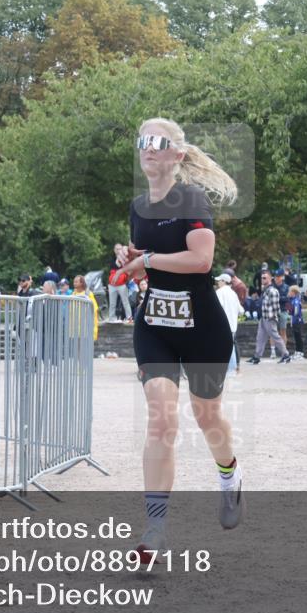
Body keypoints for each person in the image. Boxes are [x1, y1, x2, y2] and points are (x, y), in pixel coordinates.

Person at [113, 117, 243, 562]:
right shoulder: (136, 206)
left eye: (158, 142)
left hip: (203, 328)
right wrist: (131, 258)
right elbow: (150, 261)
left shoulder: (190, 198)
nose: (148, 148)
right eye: (143, 141)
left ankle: (229, 477)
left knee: (207, 418)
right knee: (161, 422)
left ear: (177, 154)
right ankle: (155, 528)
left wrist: (146, 257)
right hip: (157, 327)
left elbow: (201, 260)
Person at [249, 270, 290, 364]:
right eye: (262, 278)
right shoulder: (266, 289)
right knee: (260, 337)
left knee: (275, 336)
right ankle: (257, 356)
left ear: (270, 278)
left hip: (270, 318)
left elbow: (276, 307)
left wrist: (273, 318)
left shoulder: (272, 290)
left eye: (264, 278)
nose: (262, 279)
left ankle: (286, 355)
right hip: (264, 317)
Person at [215, 274, 244, 374]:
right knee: (229, 346)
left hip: (222, 325)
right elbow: (241, 310)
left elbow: (218, 308)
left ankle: (231, 369)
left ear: (223, 281)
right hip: (233, 325)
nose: (218, 282)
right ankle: (232, 368)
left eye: (219, 281)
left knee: (226, 347)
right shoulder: (233, 293)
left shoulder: (219, 292)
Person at [106, 245, 134, 323]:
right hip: (112, 285)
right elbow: (115, 265)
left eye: (120, 249)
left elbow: (122, 267)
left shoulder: (126, 258)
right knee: (112, 303)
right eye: (117, 249)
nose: (119, 250)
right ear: (114, 250)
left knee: (125, 302)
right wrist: (118, 258)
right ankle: (112, 318)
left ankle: (129, 318)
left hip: (122, 284)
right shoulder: (111, 258)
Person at [71, 275, 99, 342]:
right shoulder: (73, 294)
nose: (74, 283)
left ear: (81, 283)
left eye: (76, 281)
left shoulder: (88, 294)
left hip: (85, 328)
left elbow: (94, 310)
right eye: (74, 281)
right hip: (74, 328)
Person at [286, 285, 304, 359]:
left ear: (293, 292)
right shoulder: (292, 300)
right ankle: (297, 351)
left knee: (298, 337)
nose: (288, 293)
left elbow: (295, 312)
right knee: (296, 337)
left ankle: (300, 352)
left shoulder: (296, 300)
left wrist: (290, 311)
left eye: (290, 291)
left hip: (297, 321)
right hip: (294, 321)